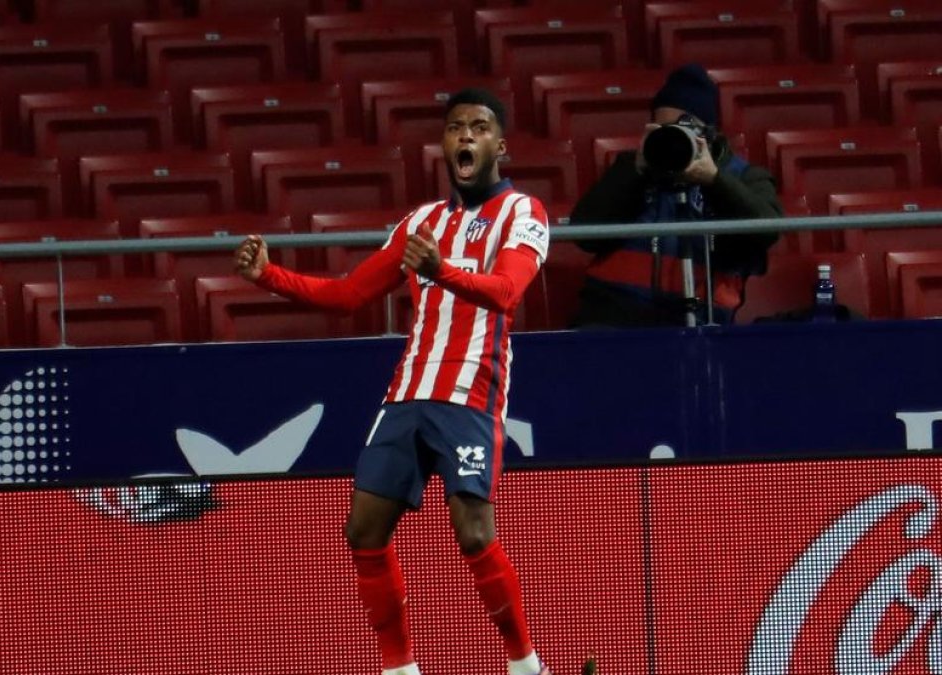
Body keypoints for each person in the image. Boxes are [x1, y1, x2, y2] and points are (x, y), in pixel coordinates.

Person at [235, 89, 551, 675]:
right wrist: (268, 275)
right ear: (443, 144)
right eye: (455, 128)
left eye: (478, 128)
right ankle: (399, 667)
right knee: (363, 529)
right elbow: (349, 294)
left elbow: (506, 292)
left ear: (498, 146)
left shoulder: (524, 214)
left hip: (469, 394)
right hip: (407, 394)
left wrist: (441, 270)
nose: (465, 137)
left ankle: (524, 663)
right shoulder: (422, 223)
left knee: (473, 531)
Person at [568, 63, 783, 328]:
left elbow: (767, 231)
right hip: (613, 320)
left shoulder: (742, 177)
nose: (671, 138)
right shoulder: (632, 168)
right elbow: (583, 234)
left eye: (681, 129)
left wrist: (714, 181)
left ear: (709, 134)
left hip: (704, 325)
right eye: (662, 129)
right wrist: (635, 173)